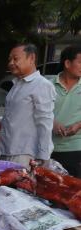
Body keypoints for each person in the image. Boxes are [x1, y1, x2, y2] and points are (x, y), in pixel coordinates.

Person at [0, 43, 56, 168]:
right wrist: (0, 123)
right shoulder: (17, 84)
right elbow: (17, 115)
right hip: (7, 149)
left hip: (25, 154)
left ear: (32, 58)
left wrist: (43, 156)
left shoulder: (42, 85)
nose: (11, 63)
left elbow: (45, 123)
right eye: (10, 59)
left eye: (16, 58)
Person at [52, 45, 81, 177]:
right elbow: (36, 112)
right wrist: (52, 123)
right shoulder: (48, 85)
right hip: (48, 148)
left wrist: (78, 125)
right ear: (68, 63)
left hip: (76, 148)